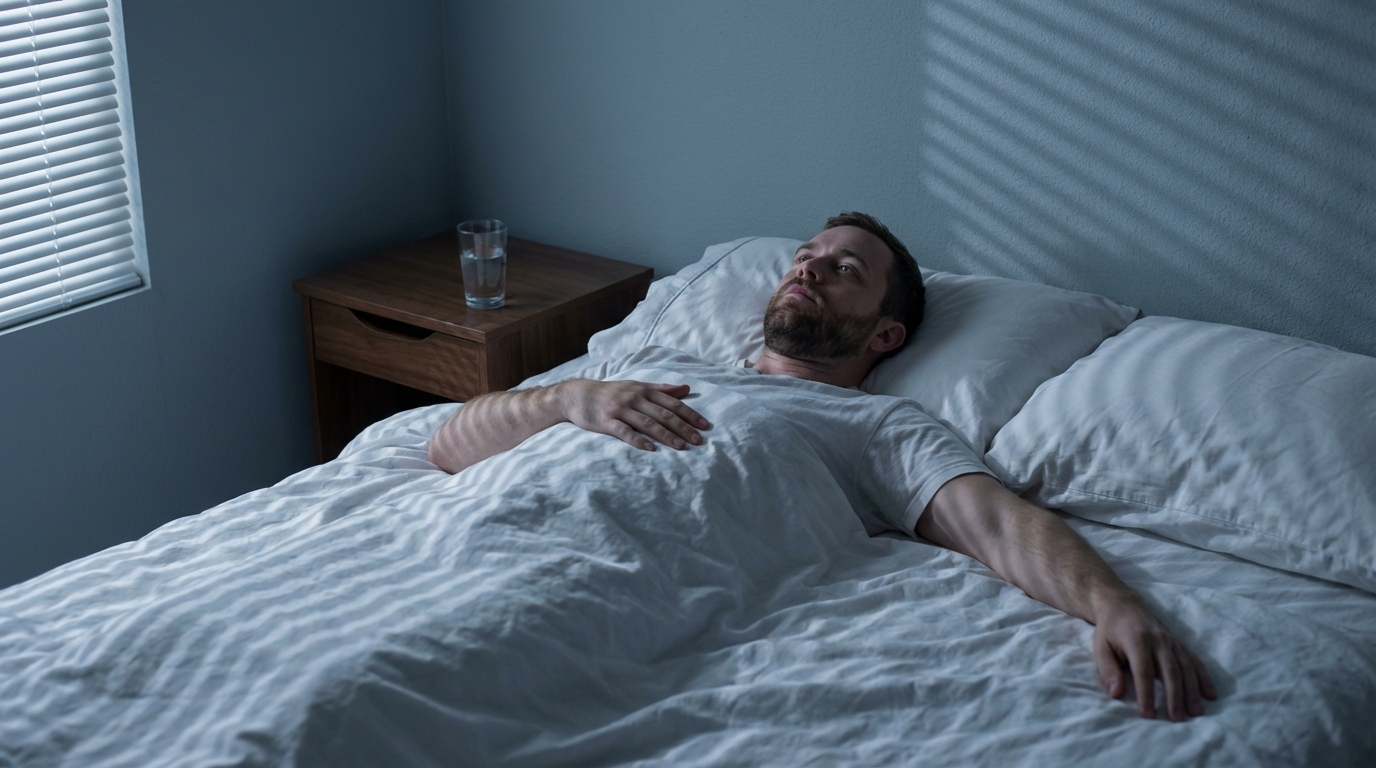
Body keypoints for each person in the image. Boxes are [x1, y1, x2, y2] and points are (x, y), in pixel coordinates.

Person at [428, 212, 1218, 722]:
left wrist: (1115, 607)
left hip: (601, 586)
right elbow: (447, 445)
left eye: (845, 270)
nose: (808, 269)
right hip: (458, 545)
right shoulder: (650, 363)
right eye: (806, 257)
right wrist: (566, 399)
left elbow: (1002, 526)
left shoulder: (878, 426)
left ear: (886, 335)